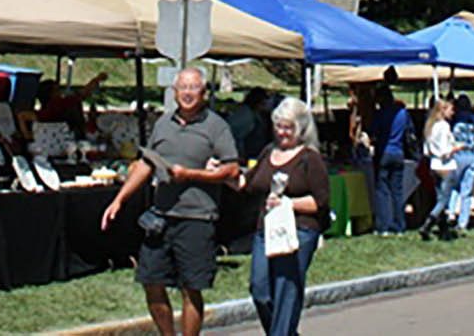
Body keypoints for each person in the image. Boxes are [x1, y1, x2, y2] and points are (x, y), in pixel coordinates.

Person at [101, 68, 241, 336]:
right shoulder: (163, 124)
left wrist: (191, 175)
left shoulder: (216, 126)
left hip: (197, 218)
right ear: (174, 93)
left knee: (191, 288)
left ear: (203, 93)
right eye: (182, 88)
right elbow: (146, 164)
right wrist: (119, 199)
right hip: (161, 217)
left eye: (193, 88)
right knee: (151, 281)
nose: (187, 93)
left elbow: (232, 169)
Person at [237, 95, 330, 336]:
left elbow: (320, 202)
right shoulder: (269, 152)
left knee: (286, 290)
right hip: (267, 230)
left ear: (301, 128)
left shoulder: (310, 158)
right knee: (260, 290)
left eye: (288, 127)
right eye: (278, 126)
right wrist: (222, 173)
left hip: (299, 230)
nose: (282, 132)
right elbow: (248, 183)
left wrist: (288, 203)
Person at [367, 77, 412, 234]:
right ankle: (400, 224)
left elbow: (373, 132)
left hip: (384, 152)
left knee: (382, 190)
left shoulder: (380, 114)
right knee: (397, 191)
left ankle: (383, 225)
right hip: (399, 152)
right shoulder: (403, 113)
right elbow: (409, 131)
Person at [419, 97, 460, 239]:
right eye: (451, 110)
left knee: (439, 198)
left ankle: (443, 229)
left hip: (434, 164)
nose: (453, 113)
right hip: (446, 165)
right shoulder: (443, 126)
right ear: (443, 110)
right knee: (444, 200)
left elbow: (426, 150)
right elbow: (444, 151)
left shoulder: (430, 126)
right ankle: (428, 223)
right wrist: (455, 148)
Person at [447, 95, 474, 234]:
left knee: (453, 185)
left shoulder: (453, 119)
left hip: (457, 154)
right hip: (472, 154)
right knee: (467, 189)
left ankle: (451, 212)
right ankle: (463, 221)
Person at [226, 88, 273, 165]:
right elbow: (237, 137)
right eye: (264, 102)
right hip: (244, 158)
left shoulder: (257, 114)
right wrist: (240, 156)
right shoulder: (246, 116)